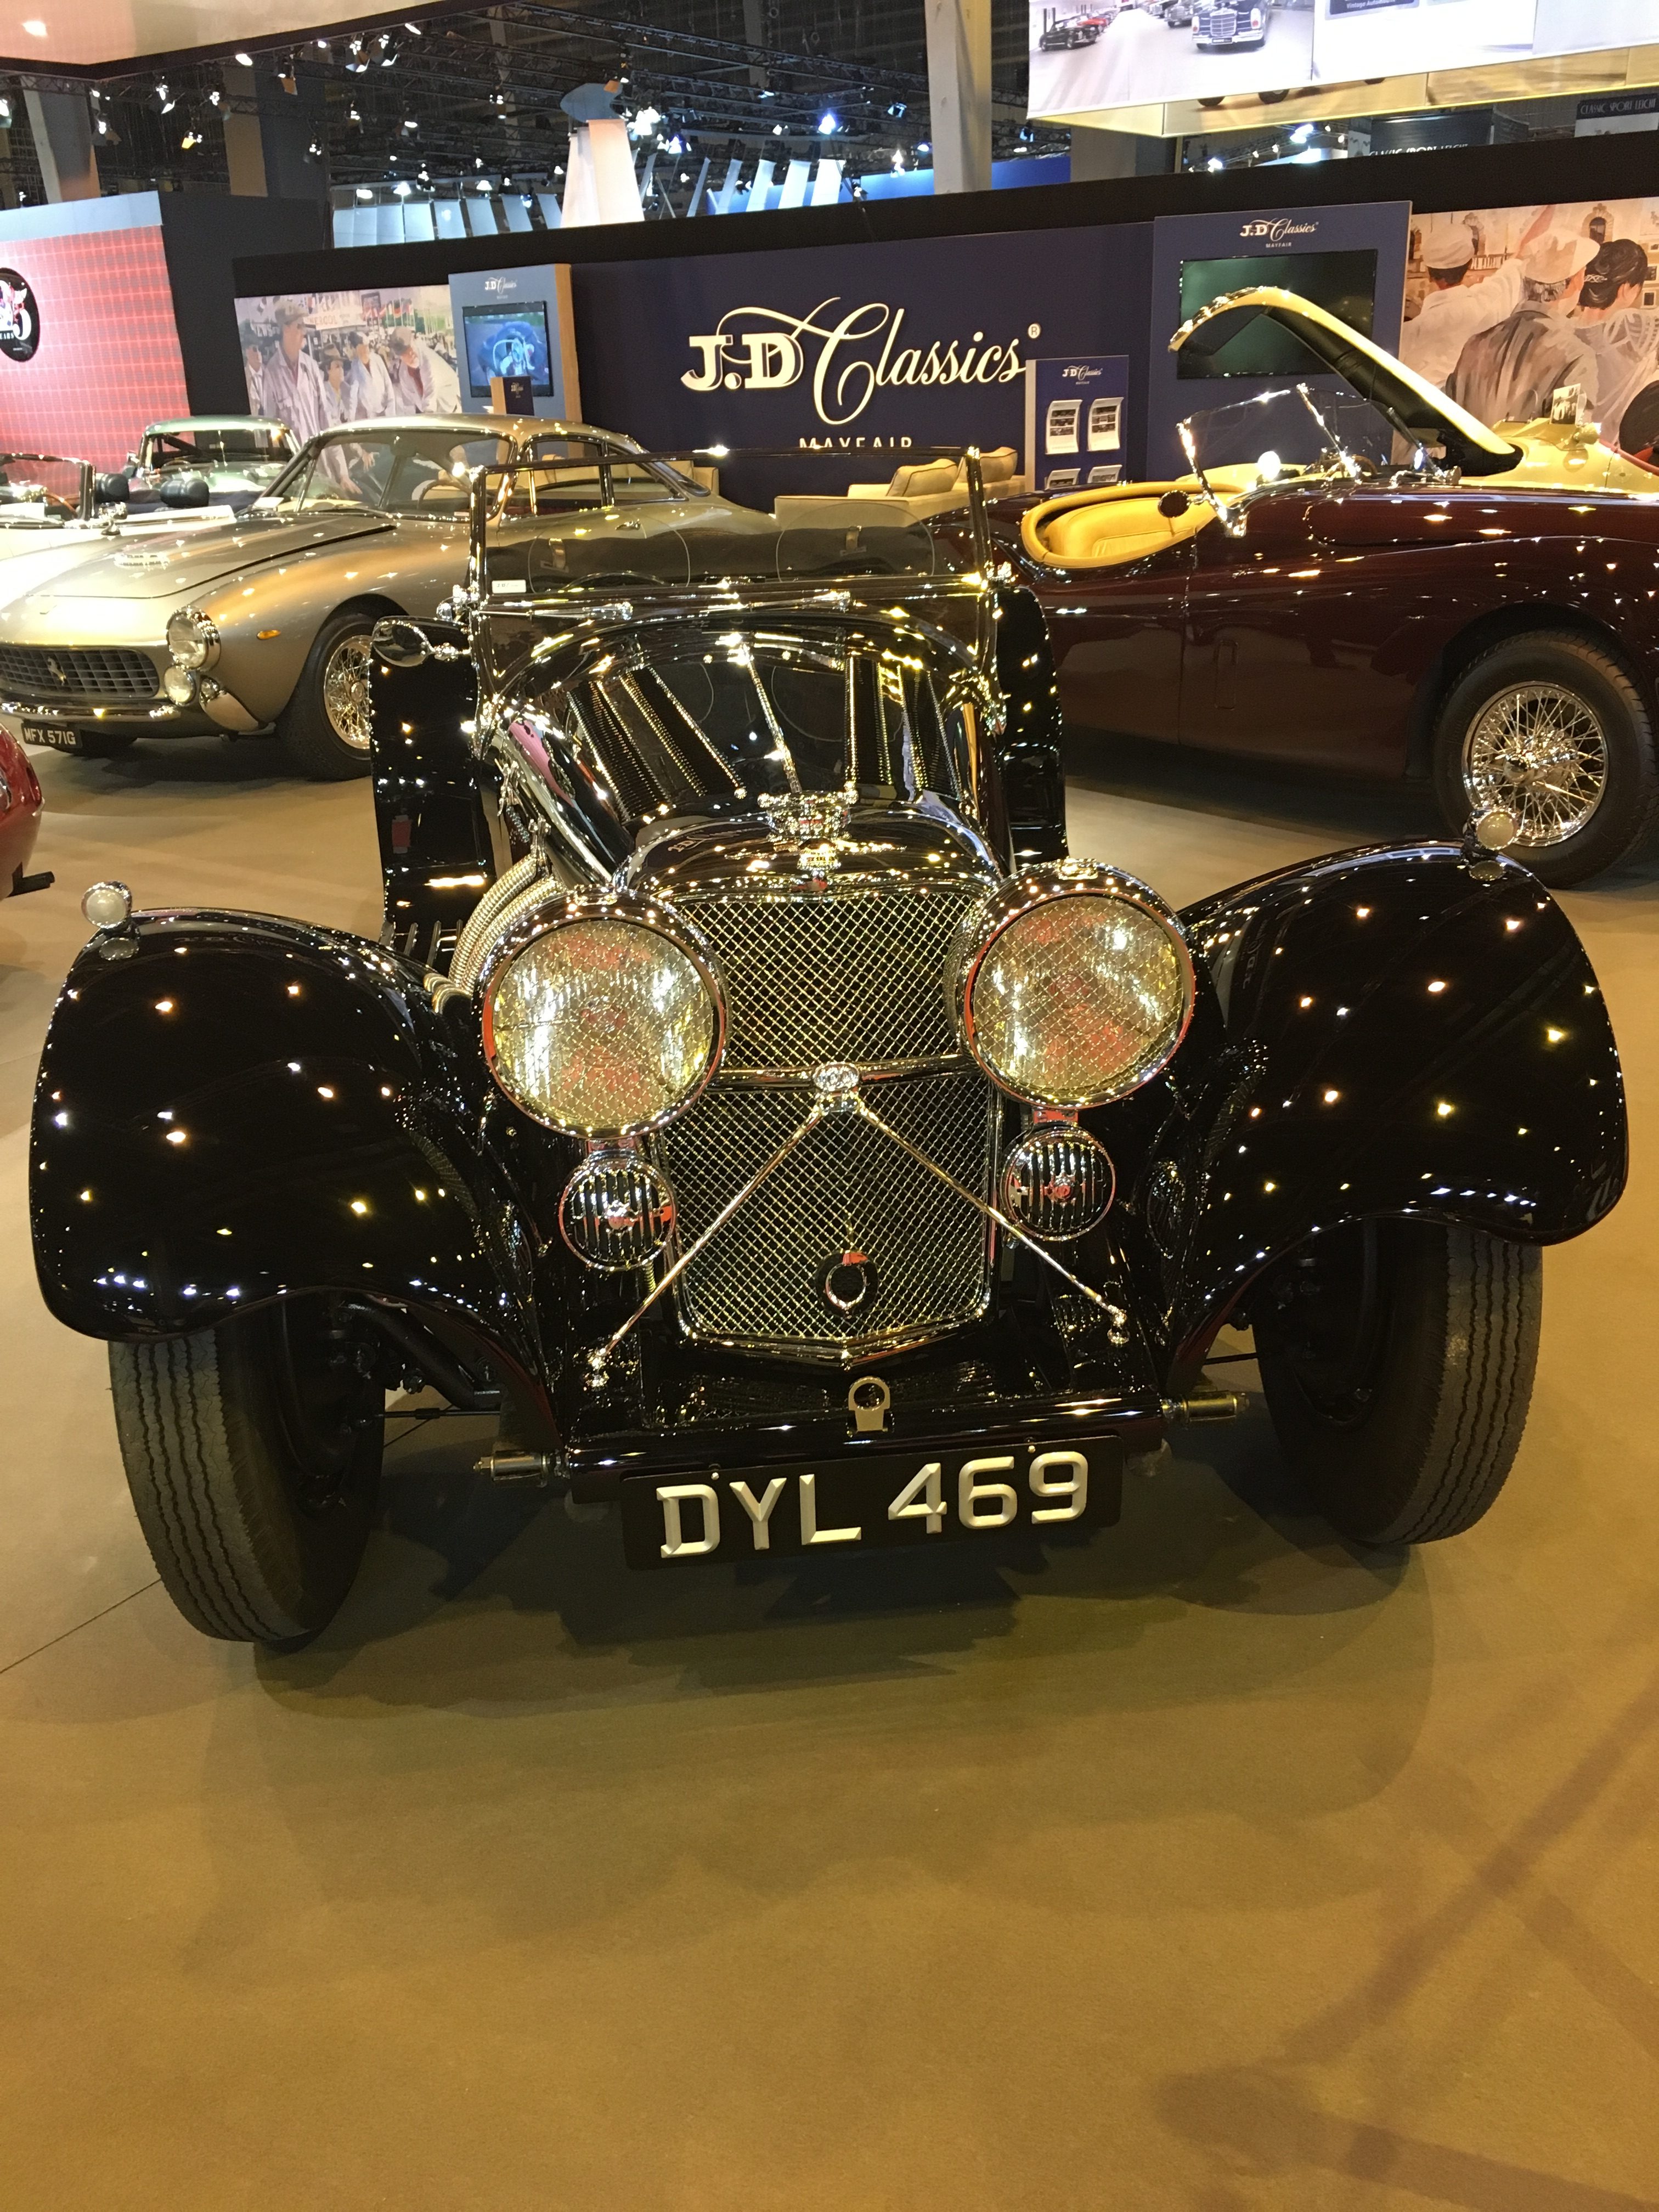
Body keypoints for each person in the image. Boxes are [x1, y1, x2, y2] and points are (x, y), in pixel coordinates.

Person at [1445, 232, 1601, 427]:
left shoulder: (1475, 344)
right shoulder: (1574, 356)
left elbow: (1447, 424)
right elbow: (1566, 435)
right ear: (1576, 281)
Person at [1400, 204, 1556, 390]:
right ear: (1469, 265)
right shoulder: (1488, 303)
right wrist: (1551, 207)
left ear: (1430, 274)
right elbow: (1522, 253)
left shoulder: (1409, 333)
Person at [1575, 238, 1659, 449]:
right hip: (1610, 453)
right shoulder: (1629, 327)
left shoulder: (1563, 330)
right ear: (1626, 289)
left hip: (1572, 445)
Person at [258, 299, 332, 445]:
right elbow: (272, 427)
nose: (304, 332)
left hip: (317, 454)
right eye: (299, 326)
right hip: (294, 457)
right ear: (286, 329)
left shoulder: (311, 366)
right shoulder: (272, 373)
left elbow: (326, 417)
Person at [387, 327, 462, 415]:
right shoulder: (404, 373)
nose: (411, 353)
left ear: (413, 342)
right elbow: (408, 403)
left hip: (452, 412)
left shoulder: (429, 360)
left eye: (411, 348)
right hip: (432, 415)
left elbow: (430, 395)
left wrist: (426, 419)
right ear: (401, 357)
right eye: (406, 353)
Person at [342, 328, 396, 421]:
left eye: (367, 346)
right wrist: (351, 418)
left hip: (386, 409)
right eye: (363, 347)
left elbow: (388, 384)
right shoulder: (355, 366)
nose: (366, 349)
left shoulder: (377, 359)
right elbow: (354, 393)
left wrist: (391, 411)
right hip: (371, 413)